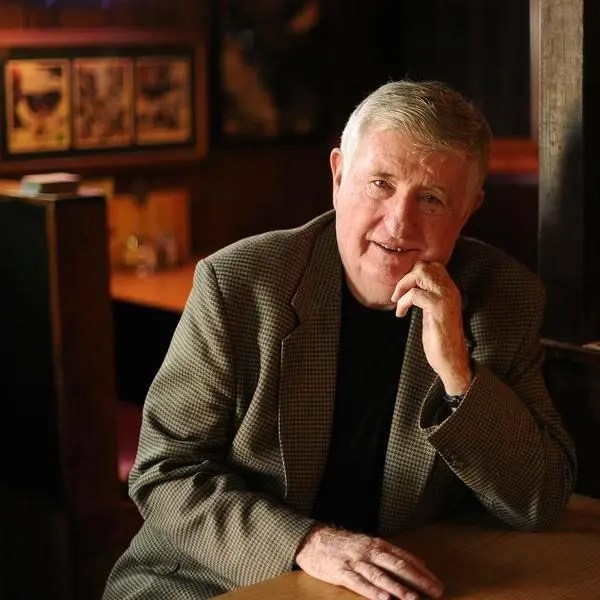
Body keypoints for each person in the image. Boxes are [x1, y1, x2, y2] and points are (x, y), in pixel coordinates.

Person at [103, 80, 576, 600]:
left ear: (467, 209)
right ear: (338, 176)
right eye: (380, 184)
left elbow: (539, 500)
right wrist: (307, 544)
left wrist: (459, 376)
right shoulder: (238, 283)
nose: (399, 223)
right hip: (207, 580)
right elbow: (165, 472)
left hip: (391, 582)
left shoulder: (504, 298)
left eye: (431, 199)